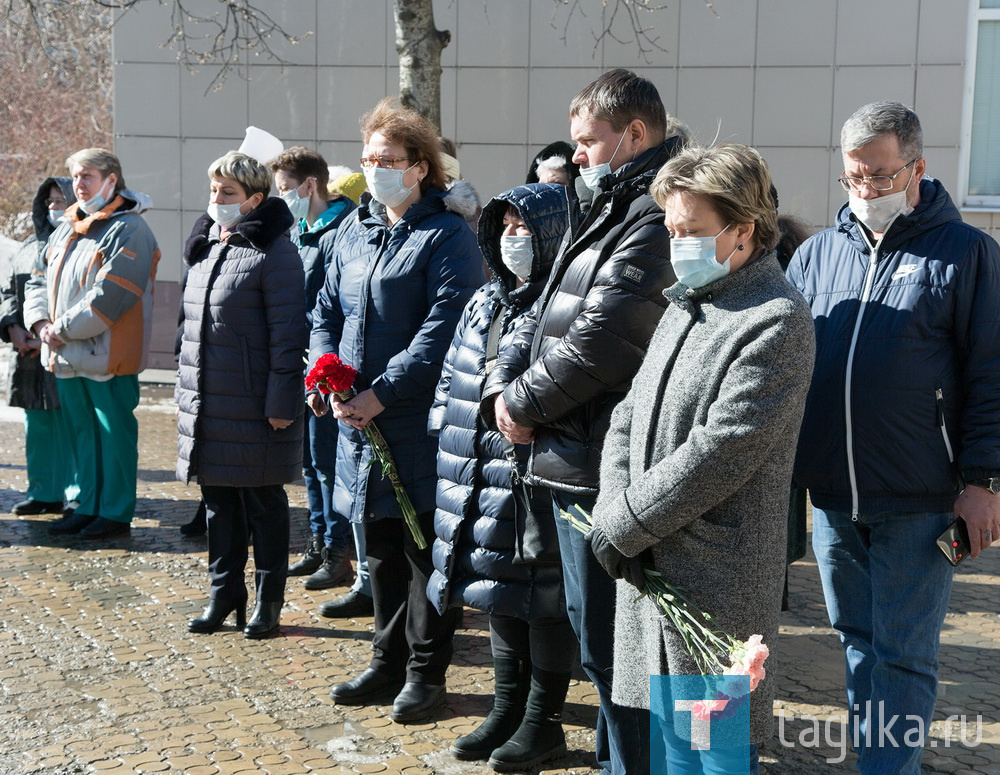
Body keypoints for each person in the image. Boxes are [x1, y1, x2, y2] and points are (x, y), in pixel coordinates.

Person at [786, 101, 1000, 775]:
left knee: (902, 652)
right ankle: (876, 762)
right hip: (833, 498)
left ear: (917, 168)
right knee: (855, 641)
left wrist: (982, 481)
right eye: (855, 177)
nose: (867, 191)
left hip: (921, 497)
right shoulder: (818, 254)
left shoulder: (967, 254)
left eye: (881, 175)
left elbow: (993, 372)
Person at [482, 68, 684, 775]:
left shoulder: (658, 210)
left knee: (615, 646)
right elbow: (544, 311)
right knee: (599, 643)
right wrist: (508, 390)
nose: (576, 158)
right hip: (572, 455)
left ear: (633, 135)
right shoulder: (603, 202)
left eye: (588, 142)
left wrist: (522, 403)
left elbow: (606, 334)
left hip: (603, 462)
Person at [591, 144, 815, 774]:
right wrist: (614, 508)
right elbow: (628, 416)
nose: (676, 243)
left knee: (710, 754)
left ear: (742, 229)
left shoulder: (775, 319)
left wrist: (624, 523)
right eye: (670, 229)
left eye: (691, 231)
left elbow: (723, 450)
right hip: (653, 561)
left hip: (716, 574)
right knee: (673, 749)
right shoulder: (689, 300)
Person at [310, 98, 483, 723]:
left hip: (417, 422)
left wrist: (382, 392)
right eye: (367, 159)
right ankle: (384, 661)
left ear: (419, 168)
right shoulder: (352, 231)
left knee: (422, 550)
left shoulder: (449, 236)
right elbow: (326, 311)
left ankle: (425, 672)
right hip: (355, 417)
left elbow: (445, 329)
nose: (375, 168)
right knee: (377, 545)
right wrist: (328, 377)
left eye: (388, 159)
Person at [427, 183, 575, 770]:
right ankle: (506, 708)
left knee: (542, 600)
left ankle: (544, 720)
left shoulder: (563, 303)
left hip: (531, 474)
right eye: (506, 226)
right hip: (476, 470)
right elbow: (451, 373)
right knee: (496, 594)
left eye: (525, 226)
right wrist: (447, 428)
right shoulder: (486, 299)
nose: (514, 236)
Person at [176, 150, 307, 640]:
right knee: (218, 505)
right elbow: (189, 329)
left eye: (227, 192)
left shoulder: (275, 251)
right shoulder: (207, 244)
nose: (216, 199)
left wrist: (280, 405)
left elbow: (288, 334)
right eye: (213, 190)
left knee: (264, 506)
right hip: (208, 403)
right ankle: (224, 594)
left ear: (254, 199)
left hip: (254, 407)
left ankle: (268, 601)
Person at [22, 148, 159, 540]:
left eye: (89, 177)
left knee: (113, 437)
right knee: (81, 435)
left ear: (112, 180)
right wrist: (40, 322)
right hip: (65, 352)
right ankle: (84, 506)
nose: (79, 185)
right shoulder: (66, 225)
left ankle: (114, 512)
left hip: (108, 356)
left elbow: (111, 296)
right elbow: (37, 278)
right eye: (76, 177)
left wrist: (58, 330)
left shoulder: (130, 228)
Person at [269, 147, 357, 592]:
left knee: (326, 463)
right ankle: (319, 542)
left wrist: (323, 371)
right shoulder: (300, 231)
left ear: (310, 185)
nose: (281, 197)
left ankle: (338, 552)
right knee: (309, 464)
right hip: (302, 365)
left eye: (286, 189)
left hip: (325, 366)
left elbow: (331, 309)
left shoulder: (343, 230)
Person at [1, 176, 79, 517]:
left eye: (60, 201)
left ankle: (77, 494)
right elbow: (8, 293)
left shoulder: (83, 241)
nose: (53, 208)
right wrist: (14, 328)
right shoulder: (27, 247)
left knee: (72, 426)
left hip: (64, 348)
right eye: (48, 202)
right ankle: (43, 492)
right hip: (28, 355)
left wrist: (45, 333)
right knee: (37, 427)